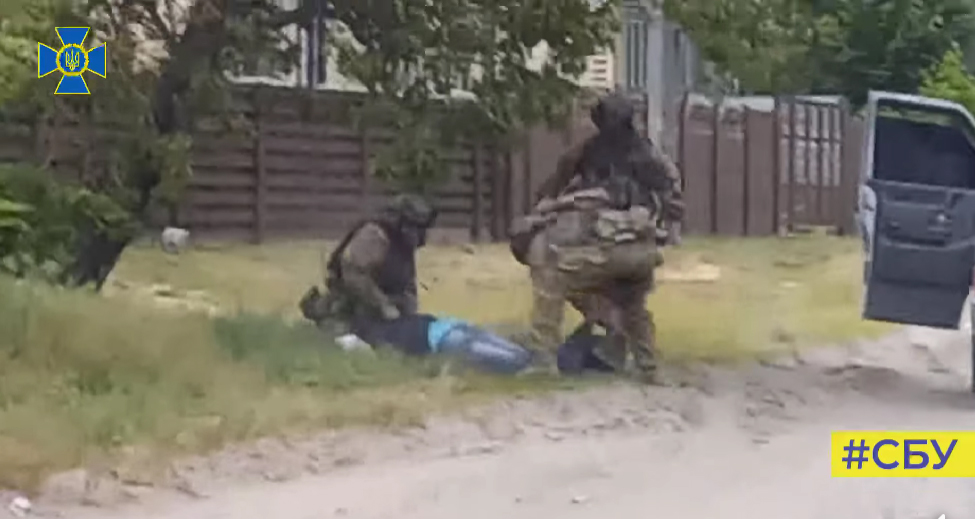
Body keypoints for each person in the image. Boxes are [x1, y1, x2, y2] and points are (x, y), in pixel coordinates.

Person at [510, 91, 685, 383]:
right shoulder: (652, 157)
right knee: (631, 302)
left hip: (600, 246)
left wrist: (548, 212)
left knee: (550, 275)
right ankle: (648, 367)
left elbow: (549, 192)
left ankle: (543, 360)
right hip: (641, 252)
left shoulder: (585, 153)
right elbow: (675, 205)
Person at [299, 193, 437, 333]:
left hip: (385, 300)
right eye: (416, 227)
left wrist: (406, 311)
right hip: (354, 300)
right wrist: (383, 305)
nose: (421, 234)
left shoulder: (403, 244)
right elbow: (353, 274)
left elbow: (407, 284)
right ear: (401, 223)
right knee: (349, 332)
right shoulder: (375, 235)